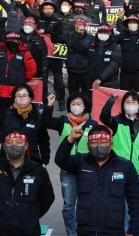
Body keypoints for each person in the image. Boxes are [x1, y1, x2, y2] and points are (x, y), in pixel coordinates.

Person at [55, 125, 139, 236]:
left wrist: (133, 230)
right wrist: (70, 138)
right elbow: (60, 160)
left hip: (114, 230)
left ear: (111, 145)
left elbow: (135, 200)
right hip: (85, 230)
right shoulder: (80, 161)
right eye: (94, 143)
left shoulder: (125, 166)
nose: (98, 146)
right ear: (88, 146)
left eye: (103, 143)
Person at [43, 92, 98, 236]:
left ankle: (86, 231)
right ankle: (72, 233)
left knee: (87, 204)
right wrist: (49, 105)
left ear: (85, 106)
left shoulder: (92, 124)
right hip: (67, 170)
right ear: (69, 106)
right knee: (68, 206)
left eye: (79, 104)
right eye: (73, 104)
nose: (76, 106)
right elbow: (45, 122)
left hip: (87, 170)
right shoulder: (63, 121)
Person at [99, 91, 139, 235]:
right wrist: (111, 101)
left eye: (134, 102)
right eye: (127, 102)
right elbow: (103, 117)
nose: (131, 105)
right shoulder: (117, 122)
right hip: (120, 171)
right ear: (123, 106)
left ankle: (138, 232)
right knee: (120, 207)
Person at [0, 128, 55, 236]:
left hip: (28, 230)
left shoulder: (38, 171)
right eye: (9, 143)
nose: (14, 146)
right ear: (4, 147)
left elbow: (47, 199)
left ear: (26, 146)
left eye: (18, 142)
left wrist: (31, 215)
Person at [1, 84, 49, 166]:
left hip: (32, 160)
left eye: (24, 95)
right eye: (18, 96)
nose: (21, 98)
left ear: (30, 98)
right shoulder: (4, 114)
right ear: (14, 98)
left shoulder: (37, 116)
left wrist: (44, 161)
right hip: (7, 161)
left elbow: (43, 141)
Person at [0, 32, 37, 121]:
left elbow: (32, 70)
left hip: (17, 91)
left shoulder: (25, 53)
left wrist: (22, 79)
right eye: (9, 39)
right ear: (5, 40)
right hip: (1, 90)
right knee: (1, 115)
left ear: (19, 41)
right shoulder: (1, 51)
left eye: (14, 40)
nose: (11, 41)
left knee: (17, 115)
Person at [116, 15, 139, 93]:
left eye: (134, 22)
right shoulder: (123, 36)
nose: (132, 24)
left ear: (138, 24)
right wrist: (118, 21)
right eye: (130, 23)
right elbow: (112, 40)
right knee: (124, 97)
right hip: (125, 74)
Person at [65, 17, 94, 95]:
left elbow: (88, 51)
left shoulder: (90, 37)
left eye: (81, 24)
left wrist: (79, 36)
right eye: (77, 24)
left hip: (86, 70)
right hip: (72, 70)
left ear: (84, 26)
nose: (78, 26)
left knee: (87, 94)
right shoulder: (69, 36)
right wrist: (76, 35)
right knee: (73, 93)